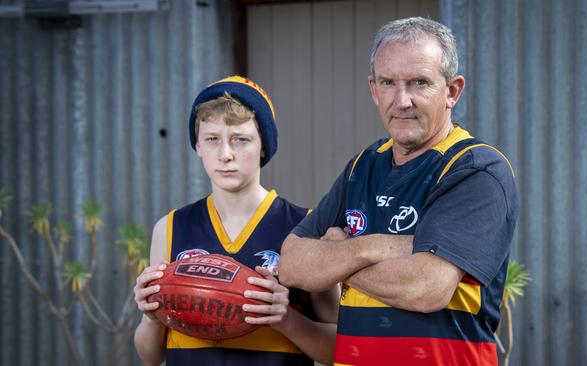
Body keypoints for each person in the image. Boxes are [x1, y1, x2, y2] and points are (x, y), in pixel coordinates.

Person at [279, 17, 519, 366]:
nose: (401, 100)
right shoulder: (363, 167)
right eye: (388, 83)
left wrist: (335, 257)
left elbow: (425, 288)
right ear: (374, 89)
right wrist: (372, 247)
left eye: (419, 83)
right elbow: (292, 265)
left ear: (452, 91)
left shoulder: (477, 170)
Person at [133, 76, 338, 366]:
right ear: (198, 146)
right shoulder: (169, 228)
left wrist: (287, 320)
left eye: (240, 140)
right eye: (212, 139)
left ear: (263, 146)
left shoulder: (307, 228)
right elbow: (151, 356)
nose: (225, 154)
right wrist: (151, 317)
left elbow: (340, 351)